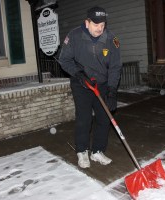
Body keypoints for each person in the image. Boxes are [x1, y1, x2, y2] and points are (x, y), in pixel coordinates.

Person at [58, 6, 122, 168]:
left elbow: (115, 67)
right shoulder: (74, 36)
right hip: (81, 84)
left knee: (103, 118)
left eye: (103, 25)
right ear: (87, 23)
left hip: (102, 84)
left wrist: (112, 91)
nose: (100, 29)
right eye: (96, 25)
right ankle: (82, 151)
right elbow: (64, 60)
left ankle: (97, 151)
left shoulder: (111, 39)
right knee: (84, 118)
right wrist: (78, 74)